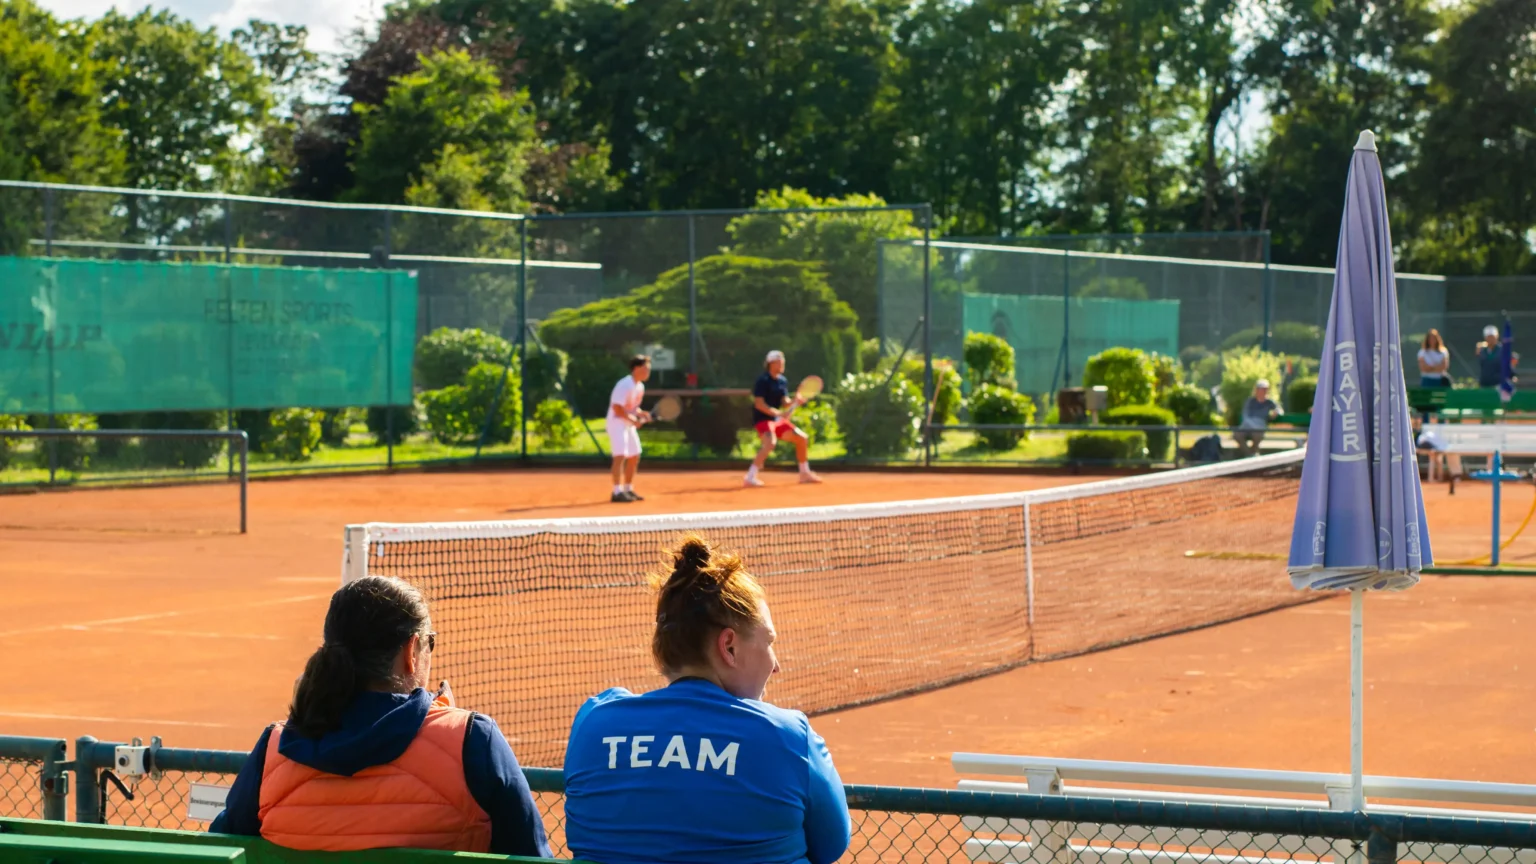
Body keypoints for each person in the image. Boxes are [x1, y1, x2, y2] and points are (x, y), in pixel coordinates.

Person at [209, 577, 549, 856]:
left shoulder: (274, 747)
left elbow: (225, 844)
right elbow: (532, 858)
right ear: (410, 652)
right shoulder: (473, 741)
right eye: (429, 643)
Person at [563, 534, 851, 864]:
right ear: (729, 646)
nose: (775, 665)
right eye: (768, 642)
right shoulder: (789, 738)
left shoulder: (593, 723)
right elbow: (830, 847)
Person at [745, 350, 821, 487]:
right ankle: (750, 477)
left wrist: (794, 401)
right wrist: (777, 414)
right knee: (770, 443)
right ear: (771, 363)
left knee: (802, 438)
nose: (782, 365)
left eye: (783, 362)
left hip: (777, 421)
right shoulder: (762, 381)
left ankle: (804, 473)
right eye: (779, 362)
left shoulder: (782, 381)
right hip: (763, 419)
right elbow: (759, 404)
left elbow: (784, 401)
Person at [608, 354, 652, 503]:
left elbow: (633, 407)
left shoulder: (640, 386)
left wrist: (642, 414)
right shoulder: (624, 384)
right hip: (616, 423)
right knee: (620, 456)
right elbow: (617, 407)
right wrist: (633, 420)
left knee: (635, 455)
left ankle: (628, 489)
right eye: (646, 368)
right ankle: (616, 492)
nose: (648, 372)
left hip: (627, 423)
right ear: (636, 368)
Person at [1232, 379, 1279, 458]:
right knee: (1237, 435)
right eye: (1260, 389)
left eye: (1264, 390)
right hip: (1248, 425)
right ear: (1256, 390)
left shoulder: (1269, 402)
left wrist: (1275, 412)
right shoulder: (1250, 401)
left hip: (1259, 426)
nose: (1262, 391)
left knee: (1257, 434)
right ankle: (1250, 454)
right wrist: (1250, 424)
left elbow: (1279, 410)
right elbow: (1245, 415)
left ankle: (1252, 454)